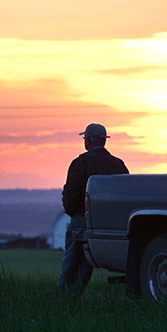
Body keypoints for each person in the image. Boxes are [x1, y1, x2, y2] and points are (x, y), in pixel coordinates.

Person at [57, 123, 129, 297]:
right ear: (104, 141)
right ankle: (75, 295)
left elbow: (71, 194)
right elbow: (125, 194)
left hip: (81, 220)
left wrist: (73, 213)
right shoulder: (118, 165)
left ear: (88, 140)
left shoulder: (80, 162)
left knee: (71, 261)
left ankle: (62, 298)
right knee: (87, 263)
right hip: (106, 224)